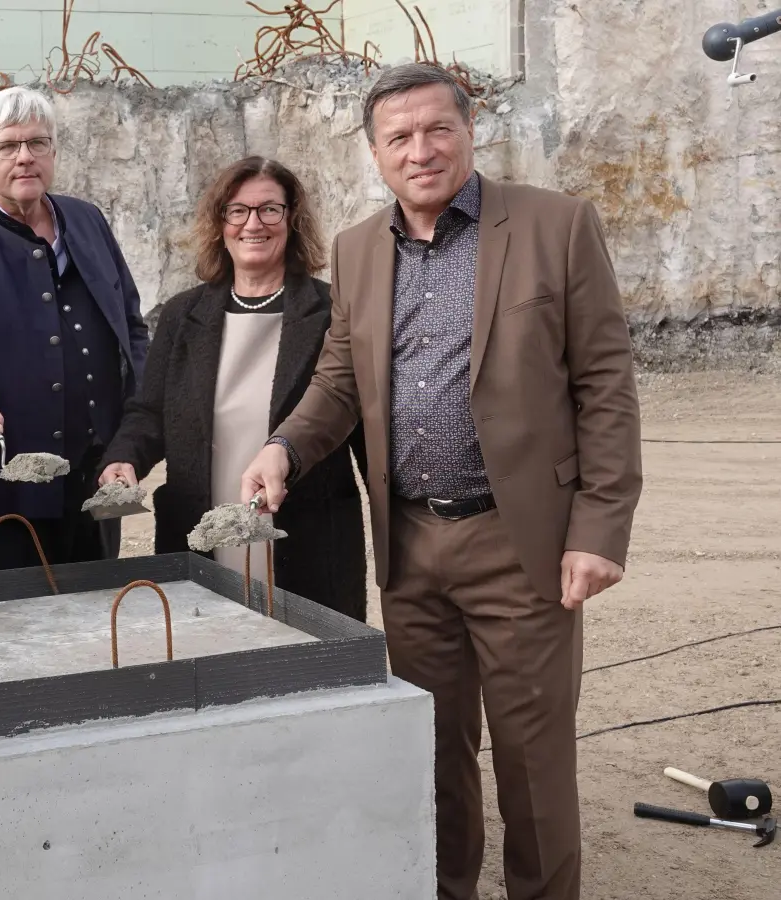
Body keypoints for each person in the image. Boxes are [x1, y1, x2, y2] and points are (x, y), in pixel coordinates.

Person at [239, 63, 642, 900]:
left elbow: (604, 384)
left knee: (532, 763)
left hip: (520, 543)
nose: (419, 150)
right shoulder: (355, 251)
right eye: (398, 138)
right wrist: (283, 445)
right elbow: (339, 381)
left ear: (467, 131)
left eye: (436, 130)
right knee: (429, 750)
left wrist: (598, 529)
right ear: (375, 153)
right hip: (412, 546)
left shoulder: (555, 226)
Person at [98, 156, 366, 620]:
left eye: (269, 210)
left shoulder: (332, 311)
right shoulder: (183, 315)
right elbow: (149, 412)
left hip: (307, 538)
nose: (253, 224)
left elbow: (359, 422)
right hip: (198, 530)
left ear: (292, 219)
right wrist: (124, 459)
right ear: (220, 224)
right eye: (237, 211)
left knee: (304, 675)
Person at [0, 86, 148, 573]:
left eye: (38, 143)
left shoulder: (88, 219)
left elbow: (132, 329)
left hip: (95, 480)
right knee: (11, 631)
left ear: (54, 151)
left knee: (99, 625)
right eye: (7, 146)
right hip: (0, 487)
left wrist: (135, 433)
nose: (24, 158)